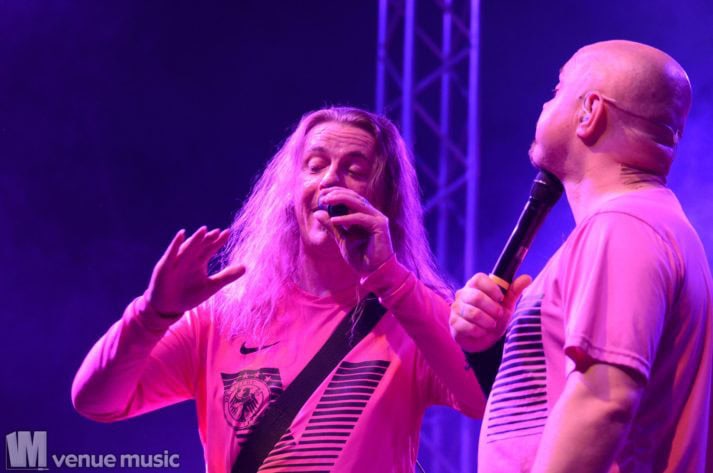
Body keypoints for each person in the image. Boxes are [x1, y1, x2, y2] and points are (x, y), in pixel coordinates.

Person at [72, 107, 501, 472]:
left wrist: (389, 277)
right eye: (314, 165)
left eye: (355, 170)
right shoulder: (225, 316)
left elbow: (485, 399)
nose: (330, 179)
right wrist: (152, 314)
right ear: (291, 192)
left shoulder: (410, 315)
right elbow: (95, 400)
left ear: (386, 202)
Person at [450, 40, 713, 472]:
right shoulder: (650, 225)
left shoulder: (625, 226)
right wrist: (491, 344)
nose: (545, 102)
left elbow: (602, 401)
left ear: (590, 112)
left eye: (558, 89)